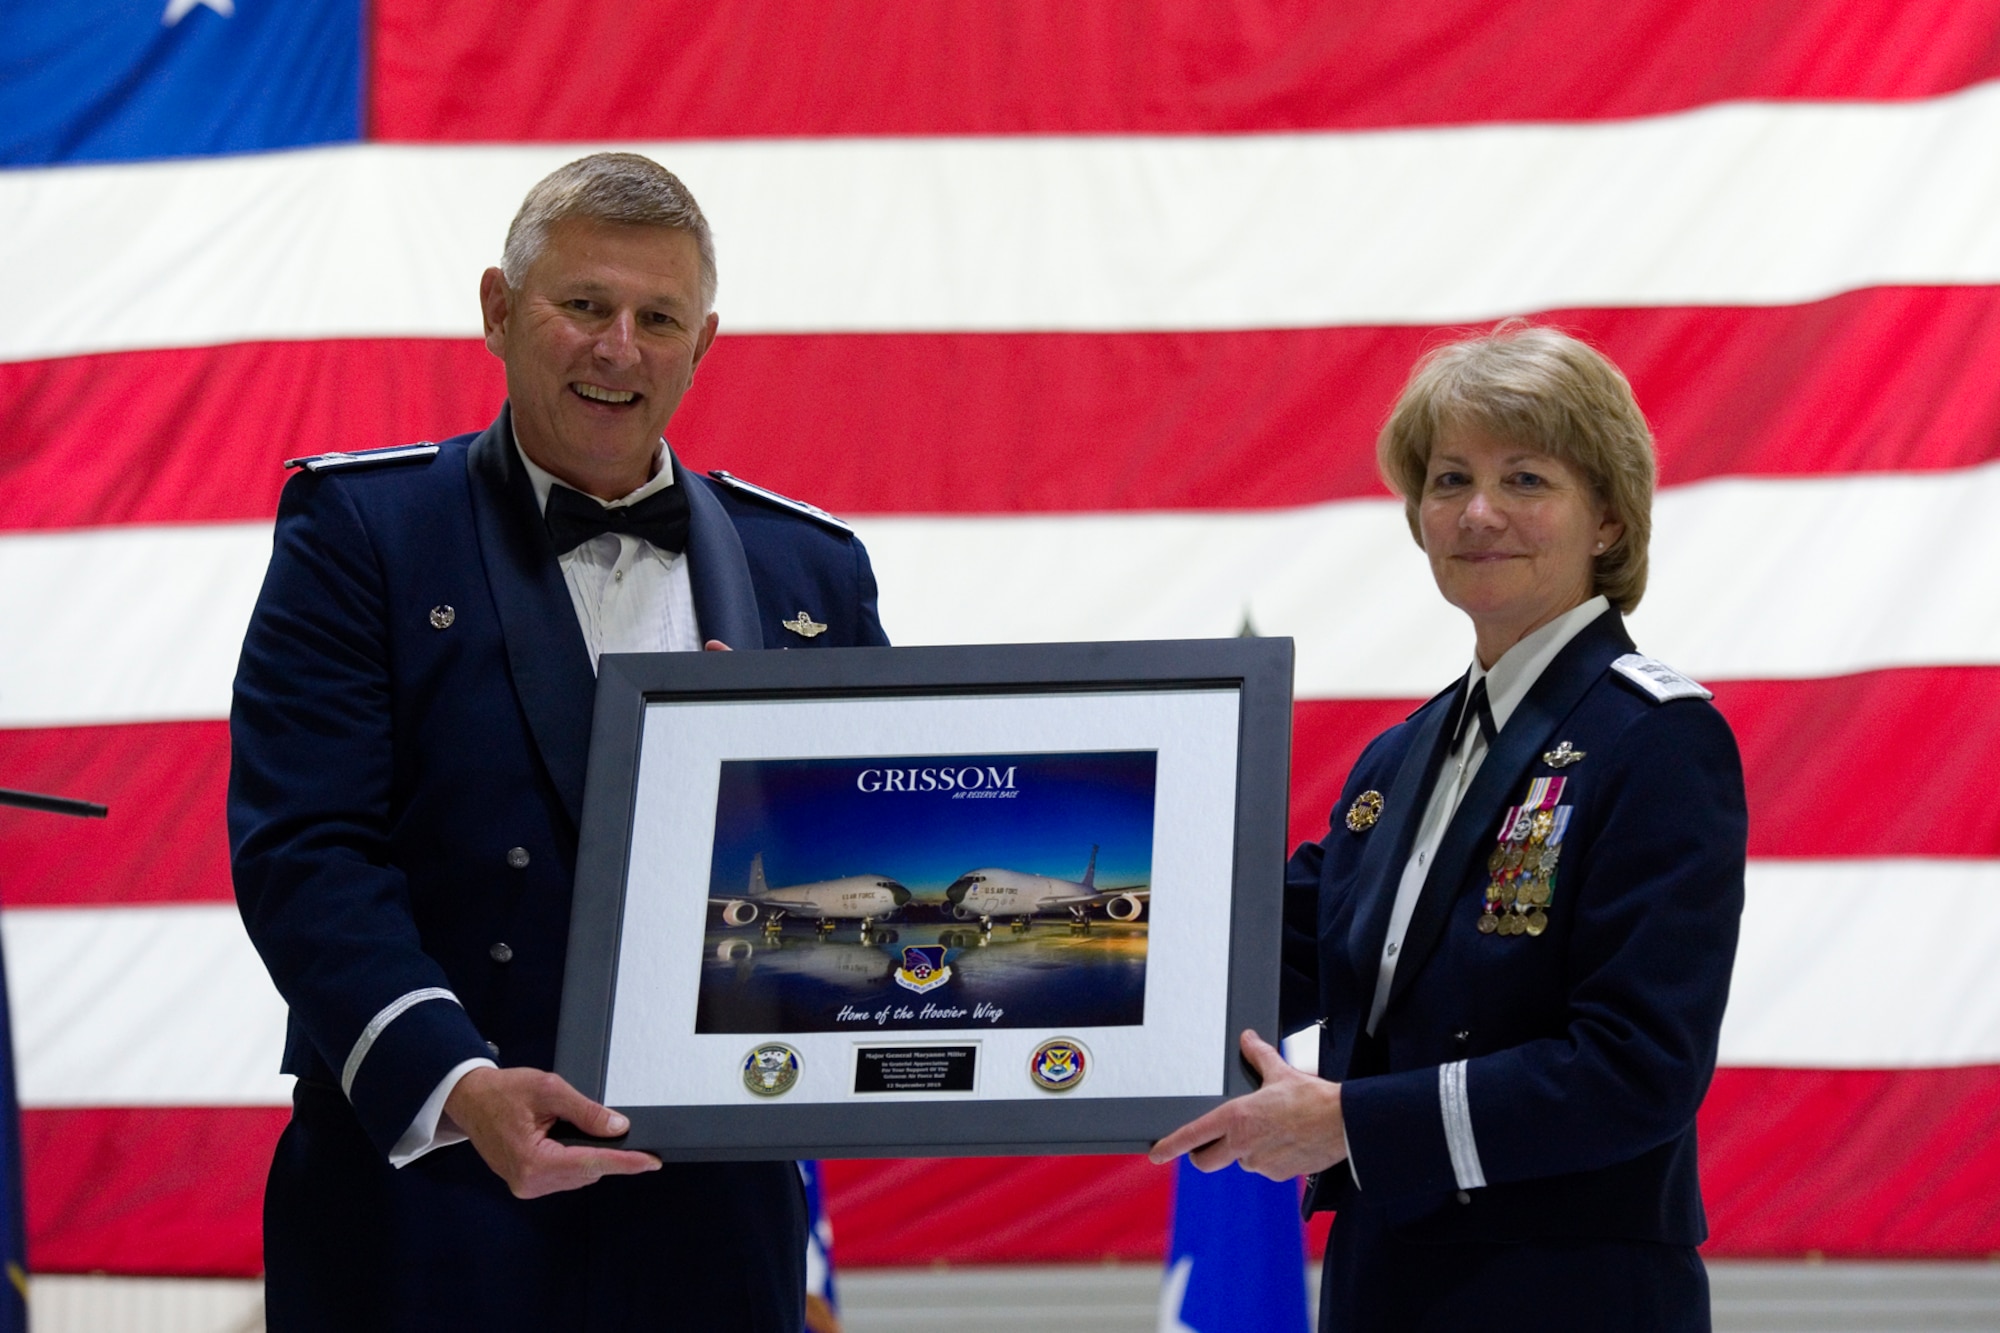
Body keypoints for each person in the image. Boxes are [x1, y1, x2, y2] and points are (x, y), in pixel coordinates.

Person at [229, 152, 889, 1331]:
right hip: (428, 1189)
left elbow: (875, 851)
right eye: (582, 304)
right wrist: (459, 1082)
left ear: (705, 342)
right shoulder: (362, 535)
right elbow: (306, 849)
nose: (617, 346)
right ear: (497, 310)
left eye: (657, 317)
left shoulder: (810, 570)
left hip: (711, 1217)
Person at [1151, 325, 1745, 1331]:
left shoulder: (1656, 741)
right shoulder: (1400, 757)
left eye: (1523, 479)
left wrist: (1346, 1122)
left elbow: (1635, 1069)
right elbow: (1253, 949)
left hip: (1566, 1292)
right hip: (1382, 1281)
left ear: (1605, 519)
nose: (1476, 513)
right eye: (1447, 479)